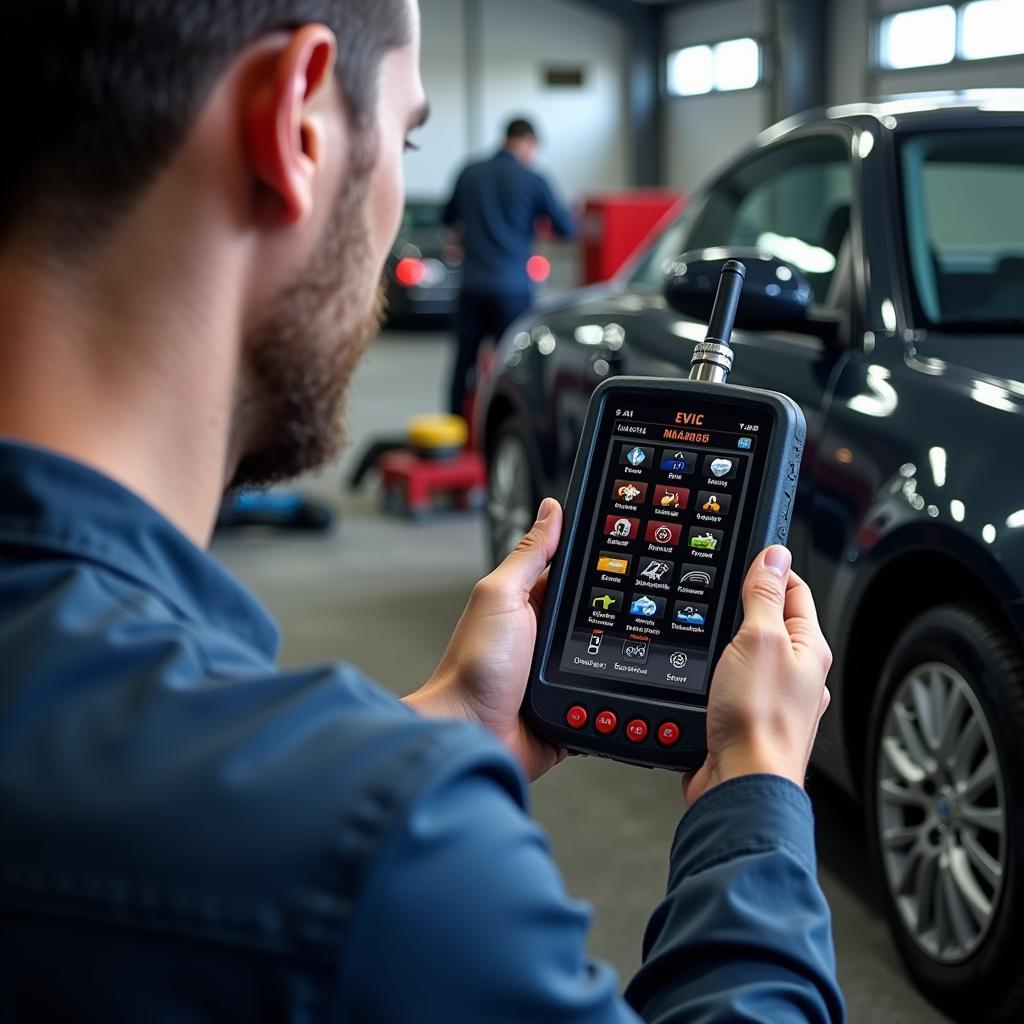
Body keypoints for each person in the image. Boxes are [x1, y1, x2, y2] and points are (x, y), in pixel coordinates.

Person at [0, 1, 844, 1021]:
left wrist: (451, 720)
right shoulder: (384, 863)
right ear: (295, 122)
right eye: (401, 137)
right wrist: (754, 794)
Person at [443, 117, 576, 416]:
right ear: (529, 142)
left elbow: (448, 217)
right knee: (512, 367)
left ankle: (455, 436)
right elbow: (567, 228)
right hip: (513, 290)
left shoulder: (469, 173)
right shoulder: (533, 179)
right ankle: (501, 429)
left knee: (463, 365)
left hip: (472, 286)